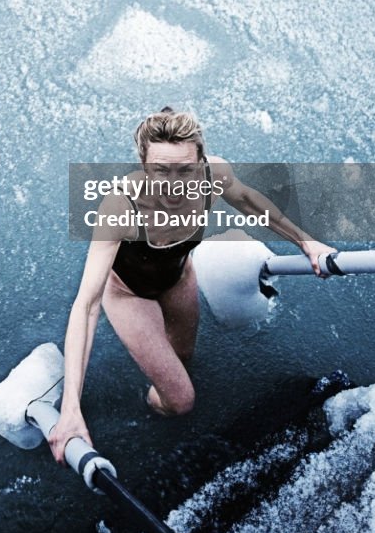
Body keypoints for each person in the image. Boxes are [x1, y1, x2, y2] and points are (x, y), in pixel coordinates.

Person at [48, 107, 331, 464]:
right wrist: (71, 407)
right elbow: (86, 305)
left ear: (201, 161)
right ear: (143, 164)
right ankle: (151, 405)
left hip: (179, 277)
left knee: (184, 360)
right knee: (180, 401)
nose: (174, 184)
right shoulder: (120, 205)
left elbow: (249, 201)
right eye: (160, 170)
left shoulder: (215, 175)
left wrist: (306, 242)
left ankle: (161, 380)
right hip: (128, 294)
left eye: (186, 169)